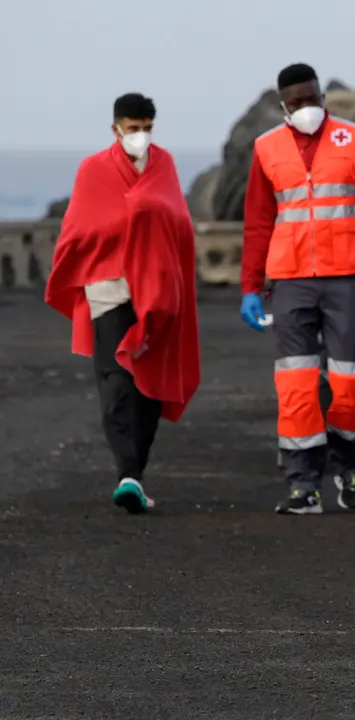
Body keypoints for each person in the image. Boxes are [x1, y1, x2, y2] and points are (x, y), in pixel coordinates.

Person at [239, 63, 355, 515]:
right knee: (296, 385)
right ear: (283, 106)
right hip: (289, 283)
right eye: (297, 103)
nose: (307, 108)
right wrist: (250, 286)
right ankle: (302, 484)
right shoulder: (266, 149)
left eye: (313, 98)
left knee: (351, 383)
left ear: (322, 96)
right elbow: (257, 223)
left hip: (346, 280)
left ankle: (350, 467)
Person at [45, 92, 202, 513]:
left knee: (148, 379)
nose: (141, 136)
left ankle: (137, 473)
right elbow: (79, 227)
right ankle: (127, 473)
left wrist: (146, 222)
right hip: (108, 283)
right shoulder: (93, 170)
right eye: (133, 129)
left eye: (147, 128)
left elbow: (178, 221)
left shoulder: (163, 164)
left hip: (157, 287)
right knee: (117, 378)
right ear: (115, 129)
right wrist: (128, 221)